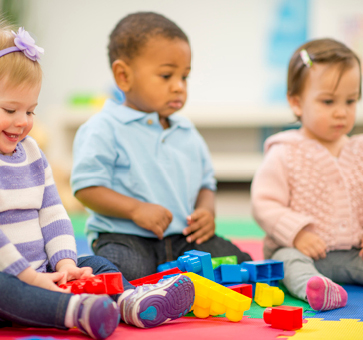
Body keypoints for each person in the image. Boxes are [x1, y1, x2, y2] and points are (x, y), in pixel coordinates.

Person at [0, 22, 195, 340]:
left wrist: (65, 263)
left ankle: (129, 302)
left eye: (31, 111)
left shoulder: (30, 151)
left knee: (94, 263)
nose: (22, 123)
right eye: (10, 109)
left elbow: (52, 211)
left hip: (40, 272)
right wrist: (29, 277)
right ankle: (75, 312)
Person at [71, 12, 252, 281]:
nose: (178, 87)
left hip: (184, 240)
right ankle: (79, 270)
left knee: (241, 264)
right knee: (122, 272)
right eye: (167, 75)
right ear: (123, 76)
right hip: (126, 237)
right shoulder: (103, 128)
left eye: (185, 77)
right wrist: (135, 209)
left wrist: (206, 212)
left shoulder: (187, 131)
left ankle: (173, 285)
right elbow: (86, 188)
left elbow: (206, 184)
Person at [251, 38, 363, 312]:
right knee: (288, 264)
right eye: (328, 101)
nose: (341, 112)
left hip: (356, 252)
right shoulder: (284, 153)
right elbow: (263, 203)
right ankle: (317, 288)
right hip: (299, 250)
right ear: (296, 102)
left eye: (350, 101)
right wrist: (297, 233)